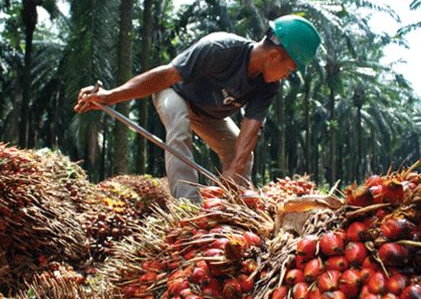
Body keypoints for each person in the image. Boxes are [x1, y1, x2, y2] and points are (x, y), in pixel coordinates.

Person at [74, 14, 321, 203]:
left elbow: (251, 128)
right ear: (275, 56)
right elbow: (166, 75)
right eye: (291, 69)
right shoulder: (220, 49)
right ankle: (187, 208)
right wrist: (110, 96)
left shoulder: (269, 85)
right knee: (179, 129)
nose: (288, 75)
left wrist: (235, 170)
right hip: (176, 93)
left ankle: (235, 210)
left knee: (241, 153)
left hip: (210, 115)